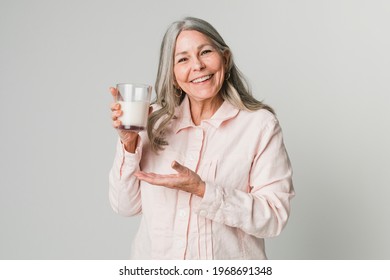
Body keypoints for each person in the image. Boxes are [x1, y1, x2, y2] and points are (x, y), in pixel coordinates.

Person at [109, 17, 294, 260]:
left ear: (225, 59)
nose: (197, 66)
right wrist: (129, 143)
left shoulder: (259, 126)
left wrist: (203, 190)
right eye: (183, 59)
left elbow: (274, 216)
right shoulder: (150, 121)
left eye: (205, 52)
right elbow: (125, 206)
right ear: (173, 74)